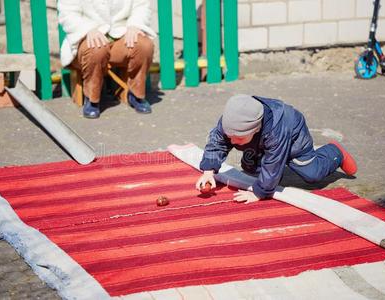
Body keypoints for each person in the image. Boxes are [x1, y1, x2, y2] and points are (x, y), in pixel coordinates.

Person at [195, 94, 357, 203]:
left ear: (255, 129)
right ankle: (256, 156)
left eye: (238, 137)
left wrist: (259, 192)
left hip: (293, 137)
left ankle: (333, 153)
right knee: (250, 167)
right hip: (262, 140)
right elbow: (217, 142)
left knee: (312, 174)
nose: (232, 140)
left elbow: (274, 161)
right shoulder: (231, 120)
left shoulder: (277, 130)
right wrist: (209, 170)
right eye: (230, 135)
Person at [58, 0, 156, 118]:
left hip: (120, 33)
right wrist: (88, 30)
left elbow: (141, 6)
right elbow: (67, 14)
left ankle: (135, 94)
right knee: (96, 49)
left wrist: (134, 25)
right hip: (87, 38)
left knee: (144, 45)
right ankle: (92, 99)